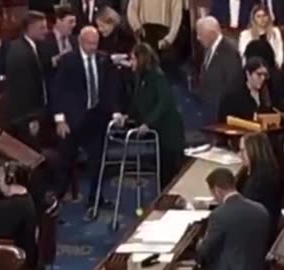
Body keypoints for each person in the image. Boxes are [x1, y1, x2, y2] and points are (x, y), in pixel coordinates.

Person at [51, 26, 121, 220]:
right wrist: (60, 120)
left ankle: (95, 198)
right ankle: (54, 205)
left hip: (96, 118)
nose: (93, 47)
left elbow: (110, 88)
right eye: (89, 43)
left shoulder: (103, 60)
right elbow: (57, 91)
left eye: (95, 43)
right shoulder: (68, 61)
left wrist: (114, 111)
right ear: (81, 42)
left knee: (98, 161)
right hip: (73, 120)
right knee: (65, 162)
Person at [128, 43, 185, 188]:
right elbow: (138, 102)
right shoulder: (140, 77)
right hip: (159, 131)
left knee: (171, 172)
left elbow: (164, 102)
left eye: (133, 59)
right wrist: (126, 116)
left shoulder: (156, 76)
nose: (130, 63)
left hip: (170, 131)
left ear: (141, 59)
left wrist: (148, 123)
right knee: (162, 171)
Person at [197, 168, 270, 270]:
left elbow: (205, 250)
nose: (215, 199)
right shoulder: (261, 210)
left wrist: (200, 242)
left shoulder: (219, 215)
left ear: (217, 191)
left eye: (213, 194)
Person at [2, 11, 48, 143]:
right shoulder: (21, 53)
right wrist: (32, 118)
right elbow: (24, 90)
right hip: (23, 118)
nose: (46, 31)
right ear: (30, 28)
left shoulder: (28, 47)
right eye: (42, 28)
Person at [0, 162, 39, 269]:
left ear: (9, 180)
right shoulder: (27, 198)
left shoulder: (10, 207)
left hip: (14, 261)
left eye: (0, 180)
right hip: (27, 258)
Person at [239, 132, 282, 247]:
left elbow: (246, 214)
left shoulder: (260, 181)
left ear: (254, 151)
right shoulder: (263, 171)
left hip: (257, 238)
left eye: (243, 150)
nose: (240, 155)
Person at [196, 16, 242, 124]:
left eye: (200, 33)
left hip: (221, 111)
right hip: (208, 109)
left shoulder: (229, 50)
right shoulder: (208, 49)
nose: (198, 37)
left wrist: (221, 109)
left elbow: (232, 83)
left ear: (211, 34)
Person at [218, 57, 273, 122]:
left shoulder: (266, 95)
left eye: (265, 75)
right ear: (248, 74)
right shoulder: (234, 96)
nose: (263, 78)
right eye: (259, 74)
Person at [244, 39, 284, 112]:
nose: (262, 78)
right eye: (259, 74)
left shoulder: (278, 81)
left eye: (264, 74)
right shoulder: (240, 87)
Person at [41, 5, 77, 87]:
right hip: (54, 87)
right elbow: (41, 66)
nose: (74, 25)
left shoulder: (75, 40)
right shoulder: (44, 40)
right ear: (58, 21)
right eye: (70, 22)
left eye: (75, 22)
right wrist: (57, 59)